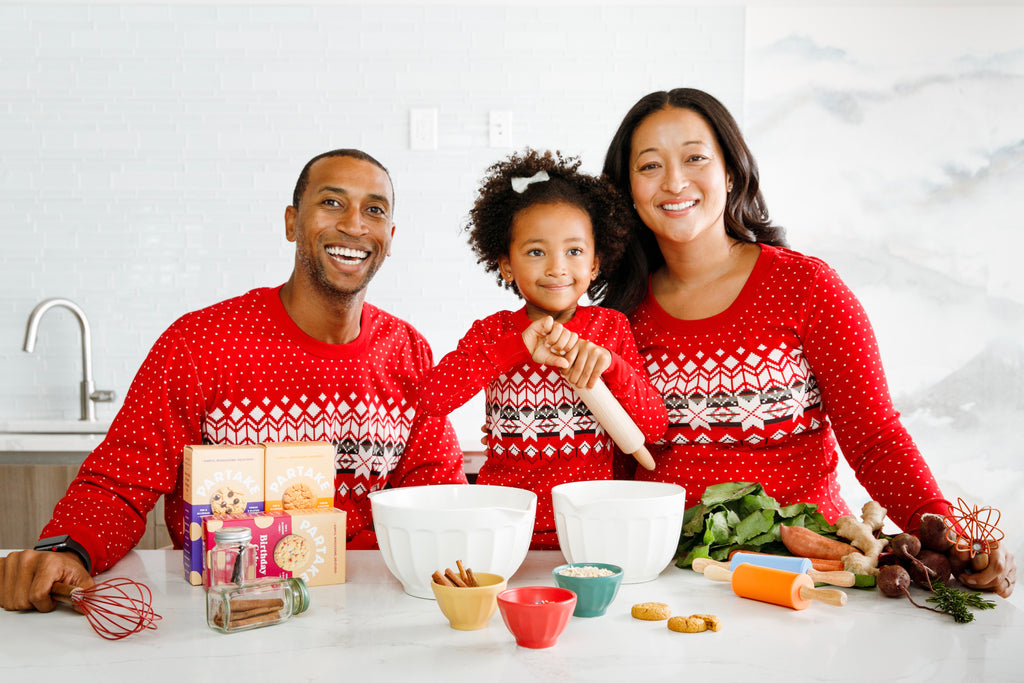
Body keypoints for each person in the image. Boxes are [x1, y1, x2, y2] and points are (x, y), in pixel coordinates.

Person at [0, 148, 467, 612]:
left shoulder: (408, 351)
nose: (354, 224)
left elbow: (438, 490)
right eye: (332, 202)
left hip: (367, 606)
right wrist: (68, 549)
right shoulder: (199, 343)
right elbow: (122, 477)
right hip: (225, 609)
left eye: (374, 210)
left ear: (390, 236)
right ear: (292, 222)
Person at [598, 88, 1016, 597]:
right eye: (650, 166)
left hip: (816, 575)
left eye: (695, 158)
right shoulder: (617, 316)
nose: (674, 181)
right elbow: (612, 463)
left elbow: (875, 439)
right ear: (628, 189)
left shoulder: (806, 287)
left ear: (729, 172)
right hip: (670, 578)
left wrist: (950, 537)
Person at [419, 149, 667, 548]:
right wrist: (514, 348)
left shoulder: (610, 328)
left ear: (595, 264)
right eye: (536, 252)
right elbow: (431, 399)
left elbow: (653, 427)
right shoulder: (493, 333)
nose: (556, 267)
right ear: (506, 265)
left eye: (574, 251)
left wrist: (611, 365)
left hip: (589, 525)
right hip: (506, 525)